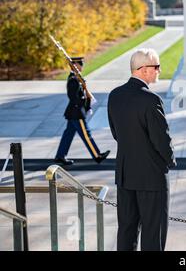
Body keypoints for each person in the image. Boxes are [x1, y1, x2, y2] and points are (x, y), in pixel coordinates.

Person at [107, 49, 176, 251]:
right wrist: (170, 160)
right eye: (156, 67)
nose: (159, 71)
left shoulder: (115, 95)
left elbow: (116, 133)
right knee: (153, 234)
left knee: (127, 231)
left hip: (126, 174)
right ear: (143, 69)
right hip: (152, 177)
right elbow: (161, 140)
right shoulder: (151, 99)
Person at [54, 56, 110, 166]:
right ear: (75, 65)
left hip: (74, 112)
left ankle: (60, 156)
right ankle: (97, 155)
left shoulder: (77, 78)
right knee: (86, 135)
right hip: (76, 113)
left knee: (68, 134)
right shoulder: (73, 80)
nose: (82, 66)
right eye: (80, 64)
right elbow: (73, 97)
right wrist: (85, 100)